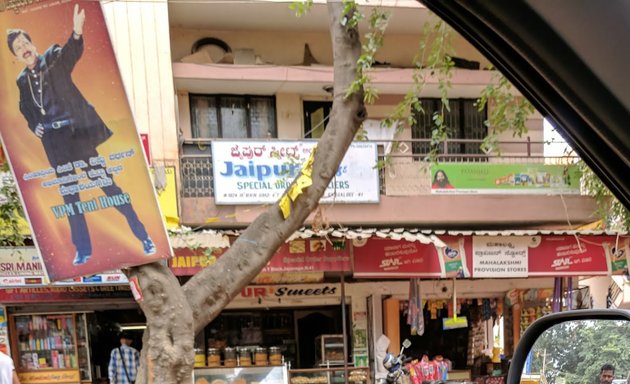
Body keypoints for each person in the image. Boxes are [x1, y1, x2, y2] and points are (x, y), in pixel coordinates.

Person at [7, 4, 155, 266]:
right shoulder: (22, 80)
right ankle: (82, 250)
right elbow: (25, 107)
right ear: (16, 56)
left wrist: (76, 32)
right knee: (70, 198)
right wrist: (34, 126)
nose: (23, 48)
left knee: (109, 187)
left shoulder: (52, 56)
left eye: (25, 42)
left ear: (32, 43)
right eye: (17, 48)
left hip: (77, 136)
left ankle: (143, 236)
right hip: (54, 143)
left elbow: (69, 55)